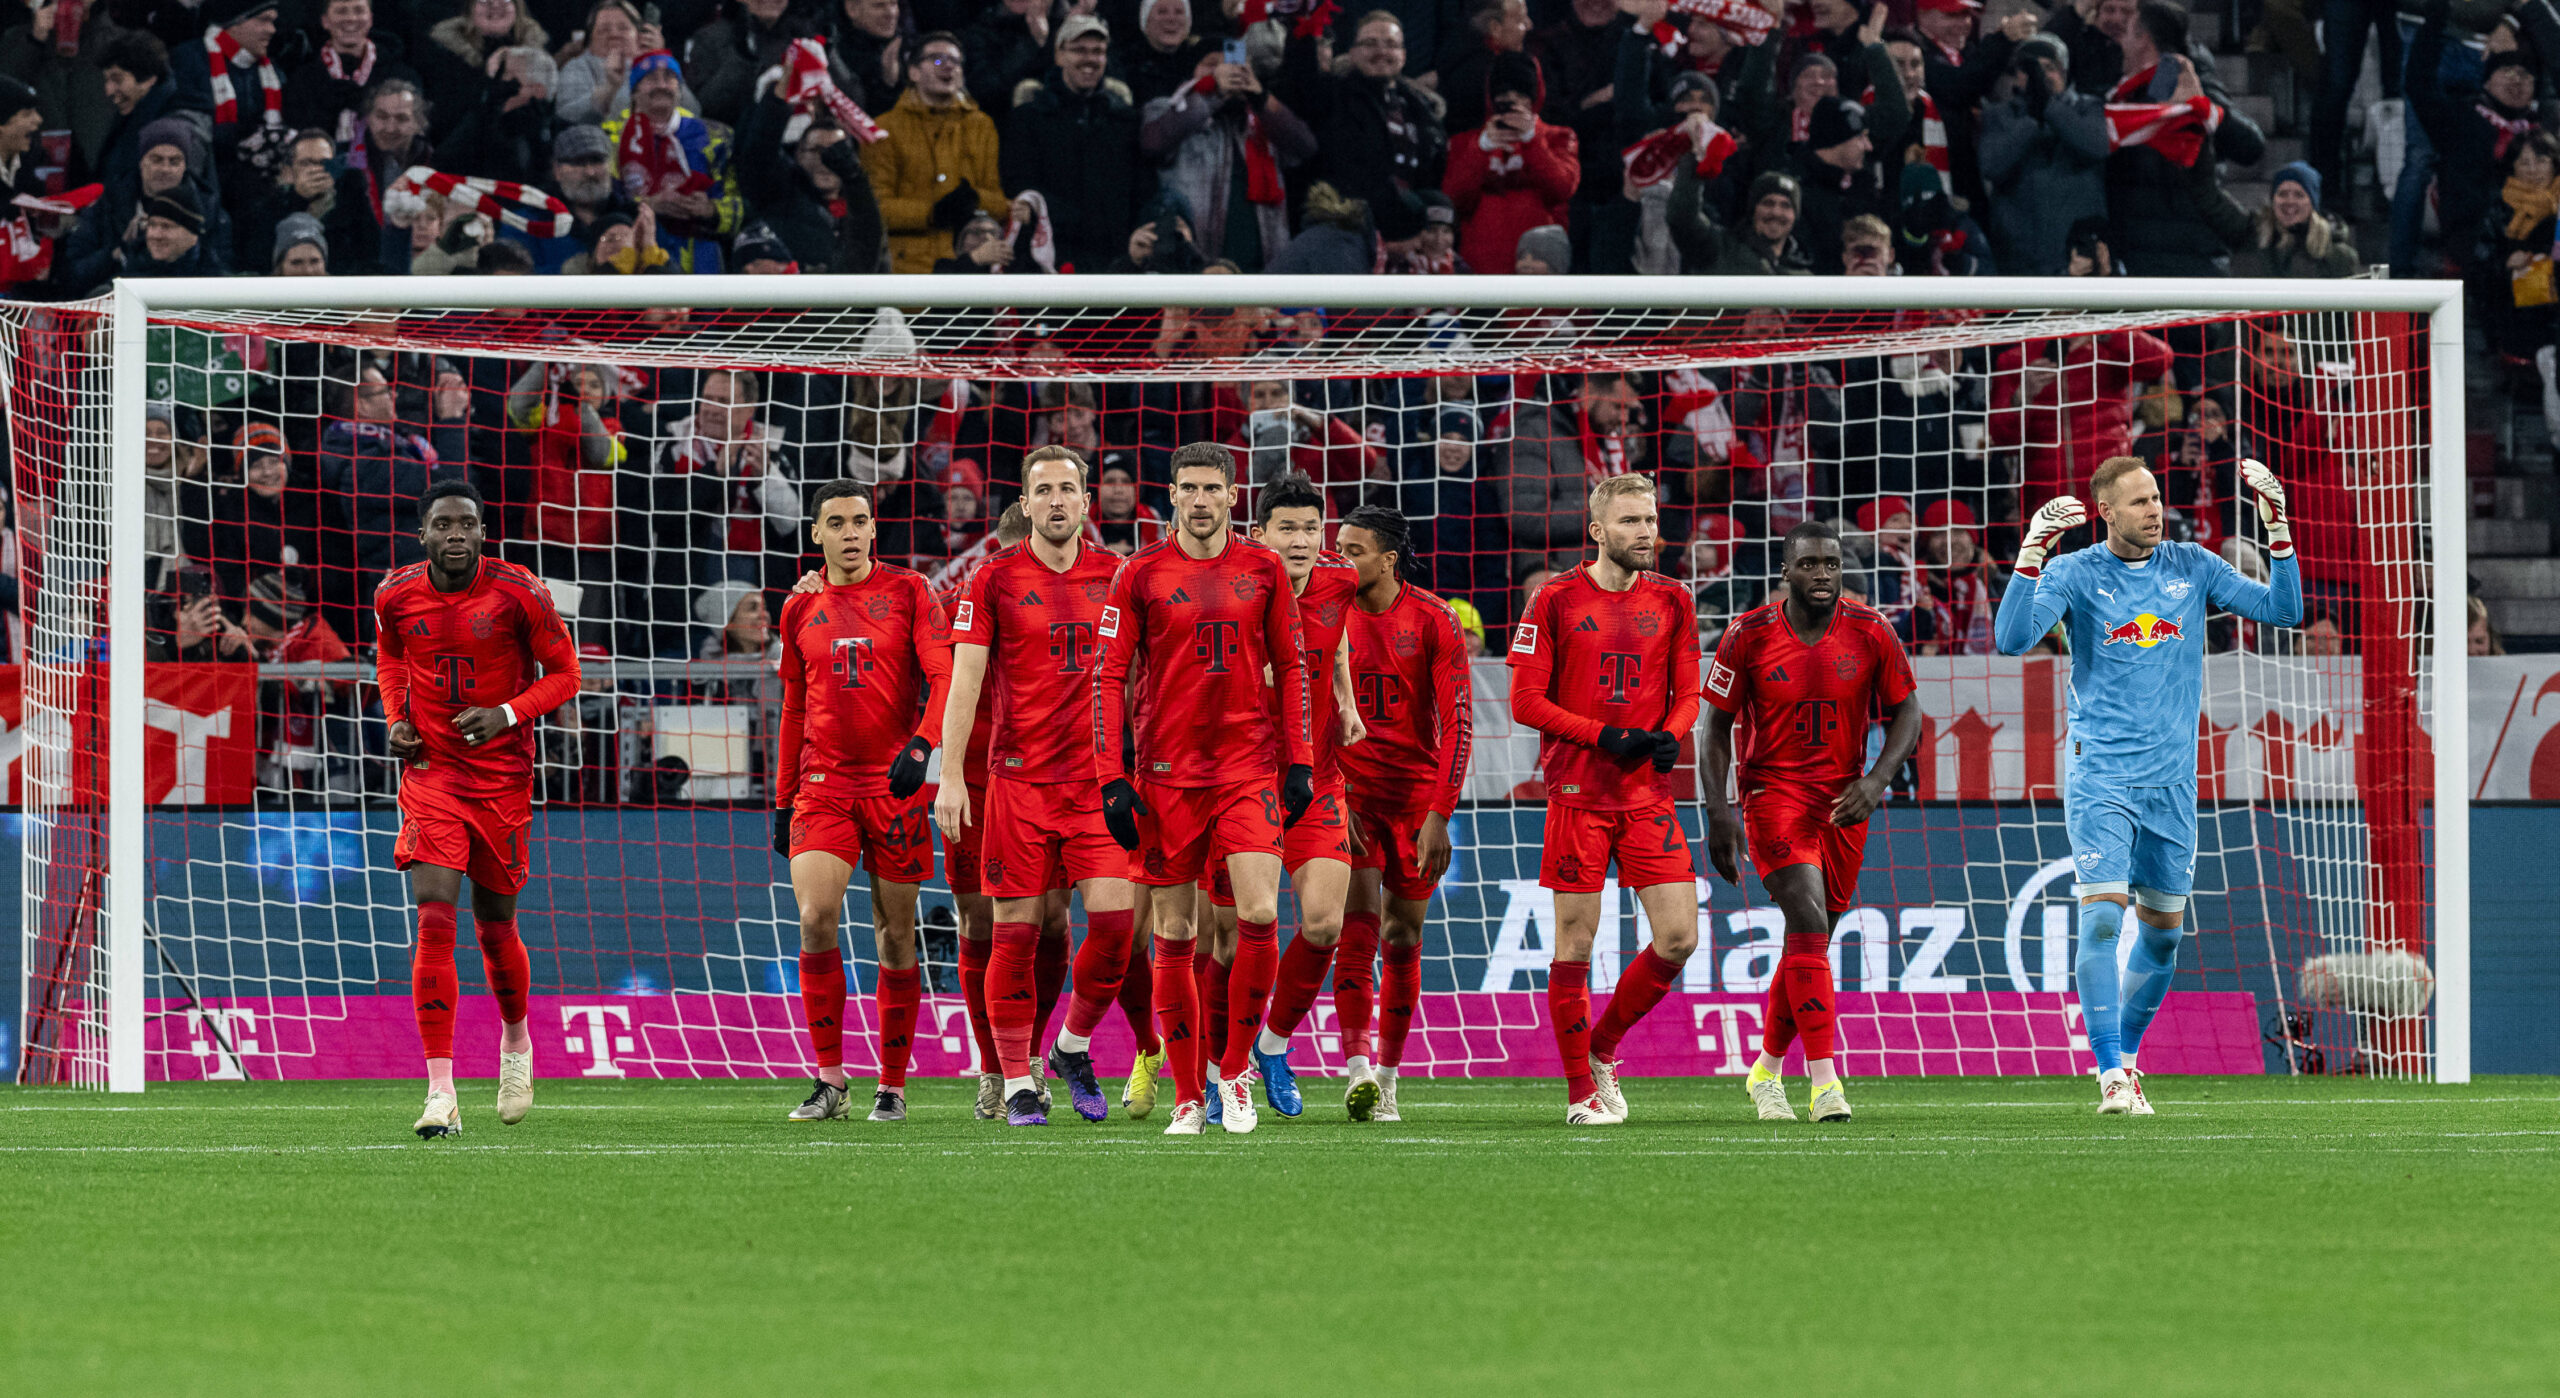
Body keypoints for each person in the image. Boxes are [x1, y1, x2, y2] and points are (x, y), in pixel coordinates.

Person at [1993, 455, 2304, 1115]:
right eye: (2137, 502)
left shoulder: (2192, 565)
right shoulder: (2076, 573)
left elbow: (2285, 609)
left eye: (2156, 497)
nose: (2154, 510)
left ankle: (2129, 1062)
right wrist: (2032, 554)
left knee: (2162, 934)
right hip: (2102, 772)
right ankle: (2108, 1074)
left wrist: (2276, 526)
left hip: (2172, 784)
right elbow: (2012, 638)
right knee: (2104, 918)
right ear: (2105, 511)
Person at [1089, 440, 1314, 1135]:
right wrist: (1111, 778)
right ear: (1173, 496)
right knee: (1177, 931)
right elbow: (1106, 677)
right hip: (1165, 780)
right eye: (1188, 488)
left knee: (1257, 916)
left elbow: (1292, 664)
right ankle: (1188, 1095)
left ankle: (1234, 1070)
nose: (1200, 500)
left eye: (1212, 489)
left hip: (1247, 771)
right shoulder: (1141, 573)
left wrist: (1300, 758)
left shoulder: (1265, 567)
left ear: (1232, 495)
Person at [935, 446, 1145, 1126]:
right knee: (1015, 935)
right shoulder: (992, 579)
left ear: (1087, 502)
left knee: (1114, 930)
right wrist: (950, 775)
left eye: (1068, 489)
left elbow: (1154, 673)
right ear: (1025, 505)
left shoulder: (1119, 576)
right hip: (1017, 784)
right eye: (1043, 490)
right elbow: (965, 680)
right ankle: (1017, 1081)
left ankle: (1071, 1045)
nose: (1057, 501)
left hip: (1098, 784)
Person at [376, 479, 583, 1139]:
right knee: (435, 915)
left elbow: (566, 673)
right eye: (444, 524)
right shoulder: (394, 593)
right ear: (424, 534)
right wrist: (394, 720)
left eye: (467, 523)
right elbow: (389, 656)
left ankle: (516, 1044)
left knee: (496, 927)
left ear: (484, 531)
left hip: (501, 778)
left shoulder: (520, 592)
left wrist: (505, 713)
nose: (456, 534)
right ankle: (441, 1092)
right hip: (432, 774)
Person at [1700, 520, 1921, 1124]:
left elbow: (1910, 714)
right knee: (1807, 914)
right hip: (1772, 794)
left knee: (1812, 940)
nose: (1821, 574)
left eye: (1831, 563)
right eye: (1809, 564)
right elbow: (1714, 727)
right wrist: (1717, 810)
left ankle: (1766, 1070)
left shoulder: (1872, 630)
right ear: (1785, 572)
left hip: (1844, 801)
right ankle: (1825, 1083)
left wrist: (1875, 782)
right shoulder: (1747, 635)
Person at [1505, 472, 1700, 1125]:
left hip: (1647, 796)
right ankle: (1579, 1093)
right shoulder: (1554, 599)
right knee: (1575, 946)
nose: (1645, 532)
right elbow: (1525, 701)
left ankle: (1603, 1049)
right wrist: (1605, 735)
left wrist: (1669, 738)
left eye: (1649, 519)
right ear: (1597, 531)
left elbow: (1688, 694)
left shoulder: (1674, 598)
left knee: (1677, 938)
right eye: (1629, 522)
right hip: (1577, 795)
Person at [773, 481, 952, 1126]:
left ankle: (893, 1085)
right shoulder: (798, 608)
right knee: (816, 917)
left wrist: (923, 745)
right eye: (836, 524)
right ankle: (829, 1080)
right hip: (823, 787)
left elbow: (943, 675)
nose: (850, 533)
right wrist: (782, 795)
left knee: (896, 936)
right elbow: (794, 706)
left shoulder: (909, 591)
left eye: (860, 522)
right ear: (815, 534)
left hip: (896, 786)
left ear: (873, 530)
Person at [1188, 473, 1361, 1122]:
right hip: (1234, 782)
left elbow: (1336, 631)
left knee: (1322, 923)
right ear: (1259, 535)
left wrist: (1342, 696)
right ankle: (1213, 1071)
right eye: (1287, 528)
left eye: (1311, 528)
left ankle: (1273, 1045)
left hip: (1314, 782)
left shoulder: (1340, 582)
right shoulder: (1230, 584)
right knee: (1224, 940)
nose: (1301, 540)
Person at [1328, 503, 1471, 1122]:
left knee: (1402, 934)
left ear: (1387, 560)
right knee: (1353, 928)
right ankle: (1356, 1067)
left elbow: (1459, 723)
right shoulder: (1325, 610)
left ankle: (1388, 1073)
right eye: (1337, 546)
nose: (1339, 559)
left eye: (1353, 550)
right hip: (1349, 794)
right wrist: (1332, 788)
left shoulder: (1435, 619)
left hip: (1414, 800)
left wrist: (1440, 813)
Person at [864, 30, 1007, 274]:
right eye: (938, 60)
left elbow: (1000, 203)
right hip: (907, 274)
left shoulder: (982, 125)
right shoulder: (884, 129)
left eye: (956, 61)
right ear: (913, 72)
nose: (948, 67)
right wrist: (931, 213)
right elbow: (874, 209)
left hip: (971, 272)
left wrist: (974, 200)